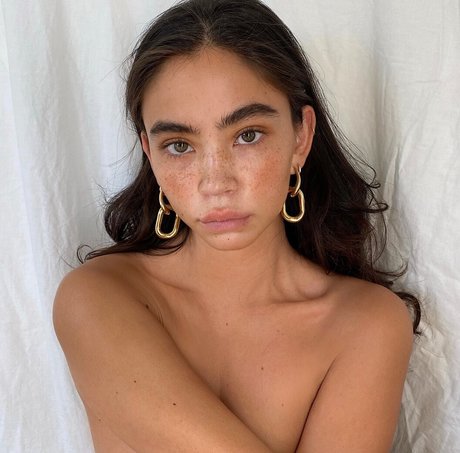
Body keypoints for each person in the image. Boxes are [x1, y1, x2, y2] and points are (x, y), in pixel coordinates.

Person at [52, 0, 423, 451]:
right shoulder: (98, 296)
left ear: (301, 137)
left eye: (247, 135)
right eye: (179, 145)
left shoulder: (367, 324)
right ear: (149, 152)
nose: (216, 183)